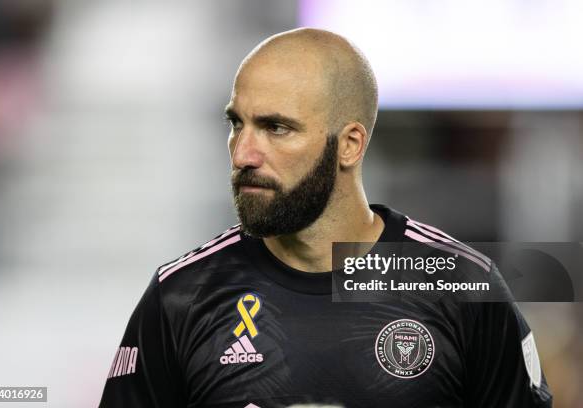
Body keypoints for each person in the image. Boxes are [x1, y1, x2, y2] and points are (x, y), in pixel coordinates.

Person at [99, 28, 552, 407]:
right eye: (237, 124)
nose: (243, 154)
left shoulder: (461, 287)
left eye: (277, 128)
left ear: (350, 145)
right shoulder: (182, 297)